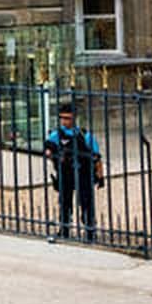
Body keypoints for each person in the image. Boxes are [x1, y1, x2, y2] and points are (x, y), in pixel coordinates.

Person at [43, 102, 105, 242]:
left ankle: (89, 230)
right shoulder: (56, 135)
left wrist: (100, 176)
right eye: (62, 118)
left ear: (74, 118)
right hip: (65, 173)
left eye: (68, 118)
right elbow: (48, 150)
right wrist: (54, 155)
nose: (64, 121)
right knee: (64, 202)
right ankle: (64, 228)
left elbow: (97, 157)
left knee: (86, 202)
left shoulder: (85, 135)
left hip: (83, 173)